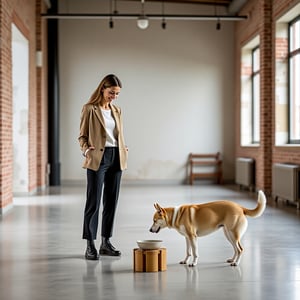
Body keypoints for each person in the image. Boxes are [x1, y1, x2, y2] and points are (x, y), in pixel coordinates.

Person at [78, 74, 128, 260]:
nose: (114, 96)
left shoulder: (117, 110)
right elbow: (82, 136)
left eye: (117, 94)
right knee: (94, 201)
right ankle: (90, 244)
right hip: (98, 157)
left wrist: (122, 146)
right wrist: (86, 150)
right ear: (102, 89)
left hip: (116, 156)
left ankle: (106, 242)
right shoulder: (89, 109)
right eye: (111, 92)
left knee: (111, 201)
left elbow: (117, 134)